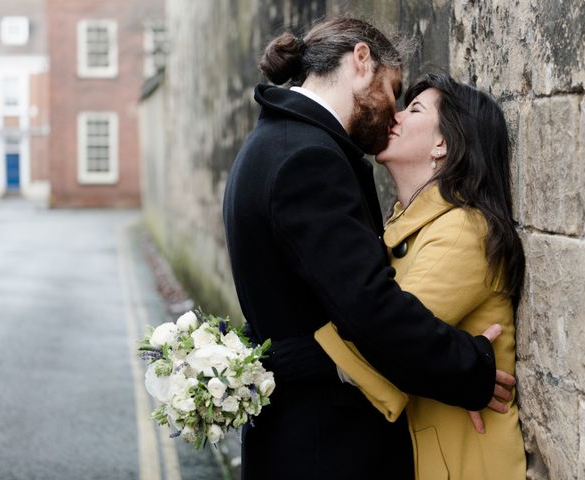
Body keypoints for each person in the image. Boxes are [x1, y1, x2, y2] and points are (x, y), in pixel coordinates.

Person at [222, 17, 513, 479]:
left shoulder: (270, 144)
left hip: (299, 441)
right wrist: (470, 371)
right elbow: (371, 309)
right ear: (362, 61)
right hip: (326, 448)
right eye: (393, 90)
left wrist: (288, 359)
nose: (391, 110)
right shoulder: (308, 157)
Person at [315, 73, 527, 479]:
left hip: (463, 463)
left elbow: (387, 342)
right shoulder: (407, 227)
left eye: (413, 109)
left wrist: (289, 352)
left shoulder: (464, 230)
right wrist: (457, 374)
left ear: (442, 143)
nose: (393, 115)